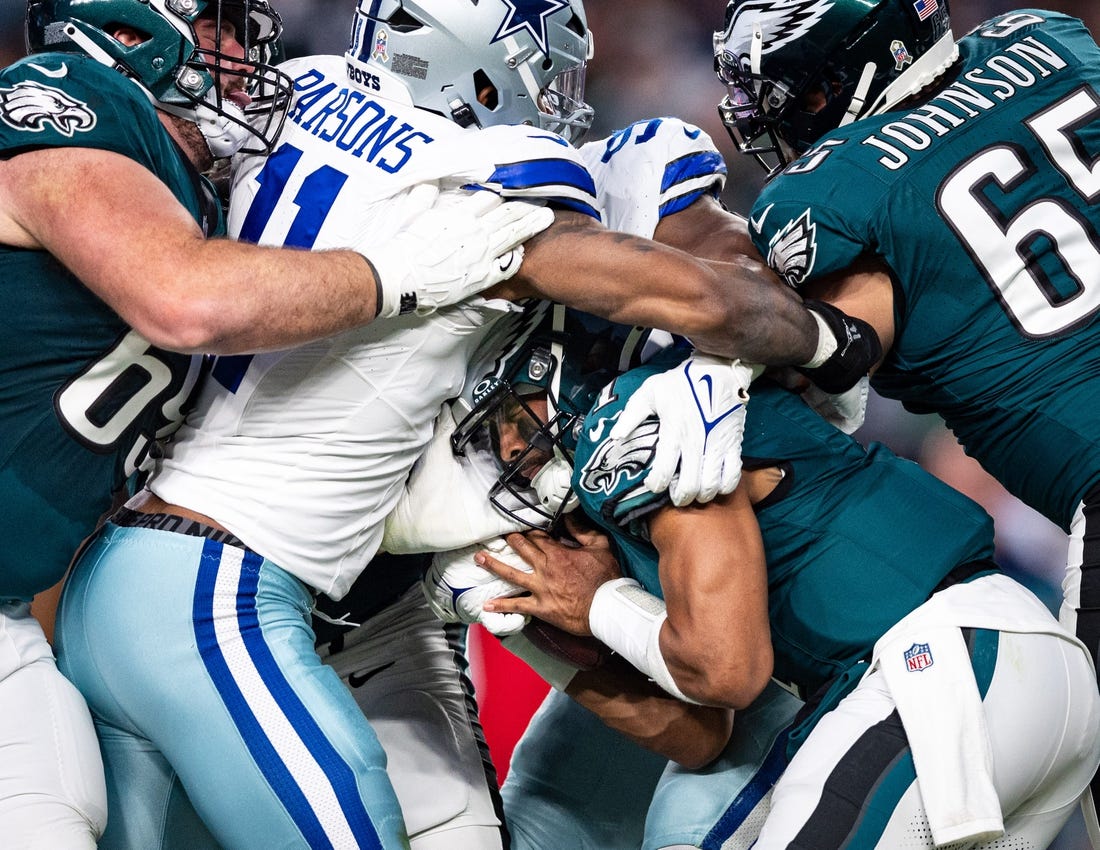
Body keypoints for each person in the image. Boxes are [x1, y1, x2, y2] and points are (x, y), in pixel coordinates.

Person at [49, 1, 881, 848]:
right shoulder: (487, 180)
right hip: (221, 590)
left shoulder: (290, 96)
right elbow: (706, 290)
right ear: (478, 65)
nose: (563, 95)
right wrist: (807, 346)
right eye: (547, 68)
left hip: (166, 573)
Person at [0, 0, 552, 845]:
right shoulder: (69, 97)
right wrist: (389, 275)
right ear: (124, 30)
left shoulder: (193, 187)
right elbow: (187, 300)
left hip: (24, 605)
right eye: (221, 27)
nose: (245, 55)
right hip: (152, 595)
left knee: (56, 812)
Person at [440, 307, 1100, 849]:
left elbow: (730, 671)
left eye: (515, 413)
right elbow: (704, 729)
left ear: (570, 374)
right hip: (1008, 672)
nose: (505, 449)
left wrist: (601, 602)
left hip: (938, 671)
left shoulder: (634, 420)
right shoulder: (686, 403)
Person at [712, 0, 1100, 837]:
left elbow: (830, 351)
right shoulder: (1045, 41)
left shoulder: (841, 187)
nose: (783, 120)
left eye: (801, 95)